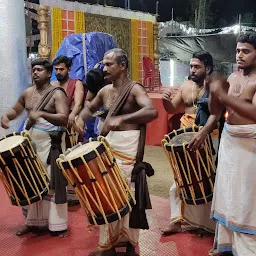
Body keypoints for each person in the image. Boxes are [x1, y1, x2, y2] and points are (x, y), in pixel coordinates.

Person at [76, 48, 158, 255]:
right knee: (106, 193)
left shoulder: (134, 89)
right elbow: (89, 108)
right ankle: (108, 244)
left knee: (127, 196)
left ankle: (130, 243)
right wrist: (80, 118)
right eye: (103, 64)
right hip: (109, 146)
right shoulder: (104, 91)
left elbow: (151, 111)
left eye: (109, 64)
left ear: (122, 66)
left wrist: (121, 119)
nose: (104, 68)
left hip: (128, 149)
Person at [1, 59, 69, 237]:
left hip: (50, 145)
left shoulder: (57, 94)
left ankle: (57, 225)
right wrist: (6, 117)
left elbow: (64, 118)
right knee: (31, 180)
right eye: (33, 69)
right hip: (31, 146)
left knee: (51, 183)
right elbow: (15, 110)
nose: (35, 72)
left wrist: (42, 114)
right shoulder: (27, 93)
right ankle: (32, 222)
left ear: (48, 73)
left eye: (39, 69)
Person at [162, 51, 221, 236]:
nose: (193, 70)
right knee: (179, 180)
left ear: (208, 68)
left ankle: (209, 226)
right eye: (191, 66)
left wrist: (203, 133)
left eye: (197, 67)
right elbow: (172, 108)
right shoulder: (186, 86)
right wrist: (165, 101)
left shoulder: (215, 86)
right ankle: (176, 221)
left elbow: (216, 114)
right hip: (185, 139)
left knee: (209, 181)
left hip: (209, 137)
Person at [209, 33, 256, 255]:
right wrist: (213, 92)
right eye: (238, 50)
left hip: (250, 146)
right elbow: (216, 111)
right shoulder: (233, 77)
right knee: (227, 191)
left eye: (246, 51)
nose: (240, 55)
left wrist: (223, 96)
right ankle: (225, 243)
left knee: (246, 198)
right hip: (229, 140)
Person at [52, 55, 84, 205]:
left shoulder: (76, 83)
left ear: (69, 69)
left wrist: (71, 115)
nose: (58, 72)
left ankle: (74, 194)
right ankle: (59, 190)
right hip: (55, 126)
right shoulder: (52, 85)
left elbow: (78, 103)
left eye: (62, 69)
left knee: (72, 158)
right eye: (56, 69)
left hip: (72, 125)